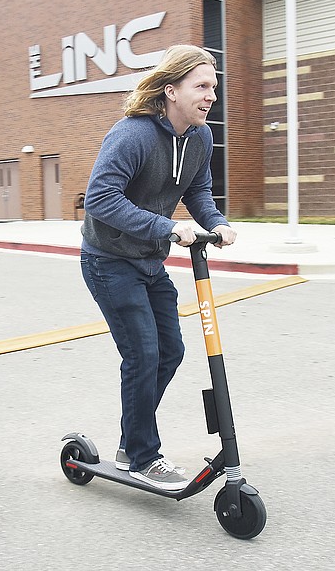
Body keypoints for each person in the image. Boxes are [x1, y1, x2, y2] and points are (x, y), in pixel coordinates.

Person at [80, 45, 237, 492]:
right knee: (143, 354)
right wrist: (167, 228)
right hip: (108, 261)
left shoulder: (200, 138)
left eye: (214, 88)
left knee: (169, 351)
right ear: (171, 90)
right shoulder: (132, 135)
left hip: (148, 262)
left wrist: (217, 223)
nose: (211, 96)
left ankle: (132, 442)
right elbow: (101, 199)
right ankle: (144, 458)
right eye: (201, 86)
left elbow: (199, 191)